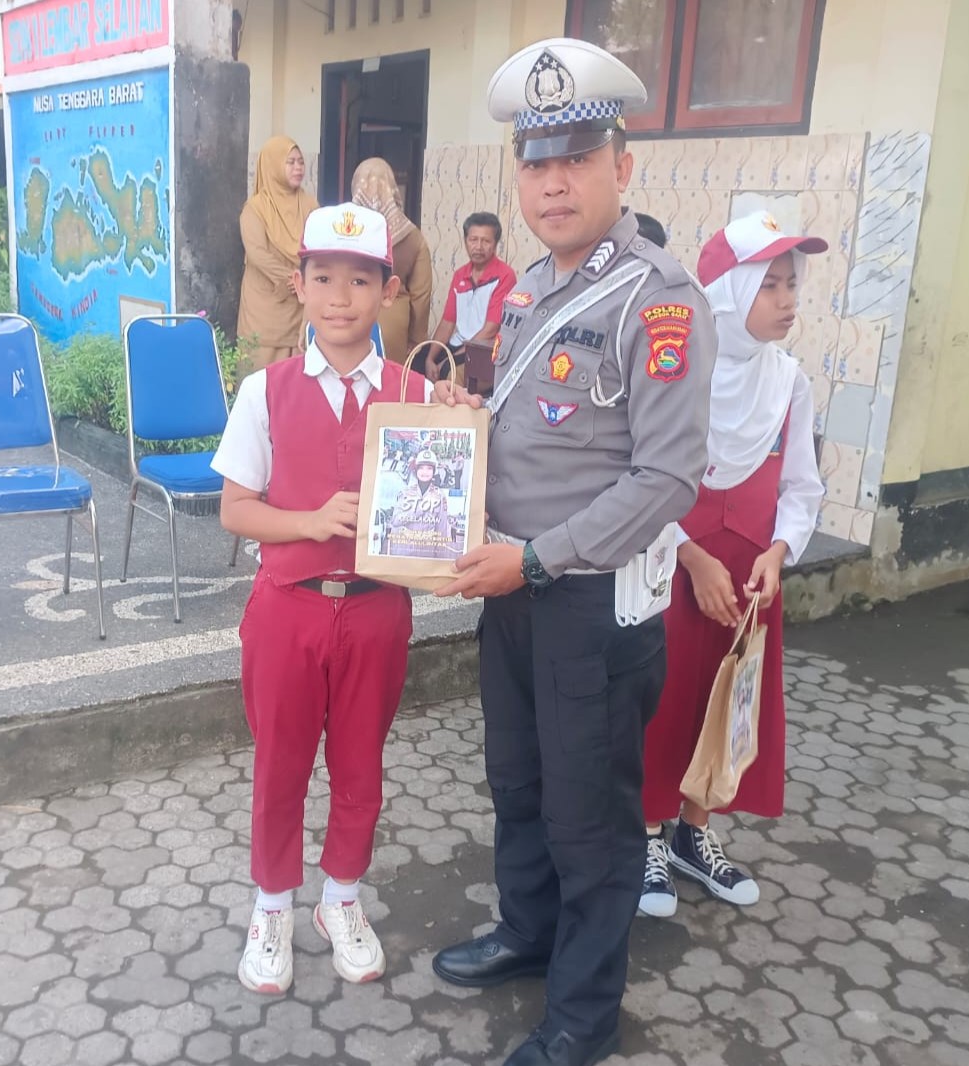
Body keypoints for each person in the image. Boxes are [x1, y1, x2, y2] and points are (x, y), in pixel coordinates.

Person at [429, 38, 715, 1066]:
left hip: (588, 604)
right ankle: (528, 932)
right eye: (535, 162)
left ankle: (585, 1017)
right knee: (517, 781)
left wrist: (538, 561)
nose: (552, 182)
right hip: (510, 588)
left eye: (576, 159)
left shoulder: (658, 299)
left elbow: (667, 478)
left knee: (590, 819)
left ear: (620, 168)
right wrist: (462, 420)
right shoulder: (526, 292)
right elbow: (530, 431)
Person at [212, 201, 430, 996]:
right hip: (288, 607)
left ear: (388, 291)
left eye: (361, 280)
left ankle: (340, 897)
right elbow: (235, 509)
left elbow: (448, 495)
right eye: (324, 277)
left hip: (377, 610)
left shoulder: (416, 394)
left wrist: (465, 426)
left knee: (360, 763)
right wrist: (307, 521)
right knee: (281, 765)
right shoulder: (263, 391)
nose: (341, 296)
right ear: (297, 285)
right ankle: (271, 905)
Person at [636, 210, 827, 918]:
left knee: (727, 706)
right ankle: (645, 836)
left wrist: (779, 553)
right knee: (662, 702)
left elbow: (801, 487)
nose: (787, 300)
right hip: (673, 571)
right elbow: (641, 479)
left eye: (791, 284)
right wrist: (689, 557)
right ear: (729, 291)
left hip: (748, 582)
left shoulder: (788, 383)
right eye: (769, 285)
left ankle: (694, 830)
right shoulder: (677, 374)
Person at [238, 136, 318, 369]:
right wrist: (294, 278)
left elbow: (319, 250)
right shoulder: (255, 209)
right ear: (272, 165)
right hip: (264, 311)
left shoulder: (311, 206)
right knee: (260, 379)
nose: (298, 168)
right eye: (290, 162)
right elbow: (257, 254)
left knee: (296, 377)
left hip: (300, 309)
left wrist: (304, 280)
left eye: (300, 162)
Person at [351, 157, 434, 358]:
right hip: (393, 322)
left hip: (350, 315)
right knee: (391, 376)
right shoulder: (411, 235)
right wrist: (416, 337)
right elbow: (421, 295)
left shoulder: (344, 232)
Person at [427, 211, 516, 379]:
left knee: (449, 374)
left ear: (495, 244)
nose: (479, 246)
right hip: (458, 344)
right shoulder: (460, 275)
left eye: (486, 241)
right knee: (417, 364)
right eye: (473, 240)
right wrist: (430, 359)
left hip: (484, 349)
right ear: (466, 241)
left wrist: (450, 361)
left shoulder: (505, 275)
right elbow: (447, 323)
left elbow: (491, 330)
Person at [383, 449, 457, 560]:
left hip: (427, 551)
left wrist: (440, 559)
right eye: (421, 468)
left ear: (434, 471)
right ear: (416, 470)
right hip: (404, 550)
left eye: (429, 468)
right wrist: (418, 510)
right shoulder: (405, 493)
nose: (425, 472)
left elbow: (442, 530)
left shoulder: (440, 496)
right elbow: (395, 521)